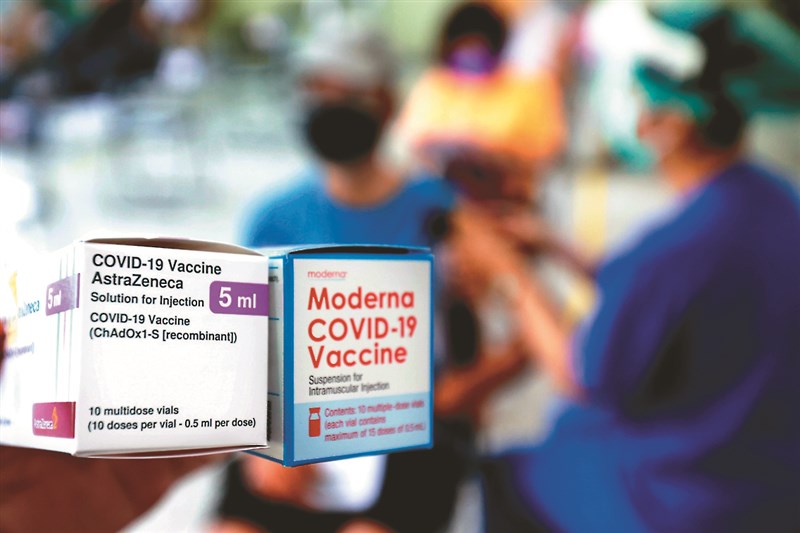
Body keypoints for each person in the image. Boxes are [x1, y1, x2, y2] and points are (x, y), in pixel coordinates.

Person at [462, 4, 800, 532]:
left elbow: (582, 375)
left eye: (641, 98)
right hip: (771, 486)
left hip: (677, 502)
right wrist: (558, 250)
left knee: (499, 477)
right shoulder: (775, 205)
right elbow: (678, 299)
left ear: (673, 124)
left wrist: (508, 274)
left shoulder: (676, 247)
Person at [213, 18, 521, 533]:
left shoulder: (442, 214)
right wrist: (259, 440)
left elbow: (498, 342)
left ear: (385, 102)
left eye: (348, 92)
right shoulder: (271, 219)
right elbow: (241, 351)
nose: (329, 105)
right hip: (292, 424)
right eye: (316, 90)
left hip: (409, 430)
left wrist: (456, 394)